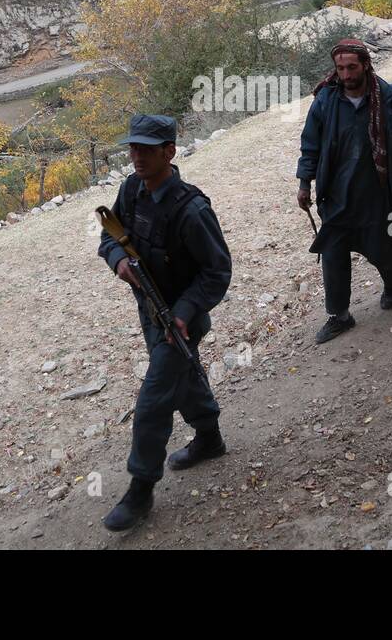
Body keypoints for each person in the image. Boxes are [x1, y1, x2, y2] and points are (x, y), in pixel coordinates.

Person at [97, 113, 232, 531]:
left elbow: (218, 271)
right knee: (183, 378)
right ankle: (209, 438)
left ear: (169, 153)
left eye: (146, 149)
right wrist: (118, 260)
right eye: (132, 148)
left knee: (154, 399)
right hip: (150, 312)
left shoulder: (191, 210)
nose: (136, 156)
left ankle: (140, 489)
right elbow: (108, 234)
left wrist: (185, 312)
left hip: (181, 318)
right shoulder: (131, 191)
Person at [296, 39, 392, 344]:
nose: (346, 74)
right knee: (333, 253)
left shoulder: (390, 97)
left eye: (352, 67)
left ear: (365, 65)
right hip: (337, 198)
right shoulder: (326, 100)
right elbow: (310, 144)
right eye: (340, 68)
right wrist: (304, 183)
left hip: (382, 197)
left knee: (391, 246)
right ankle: (339, 315)